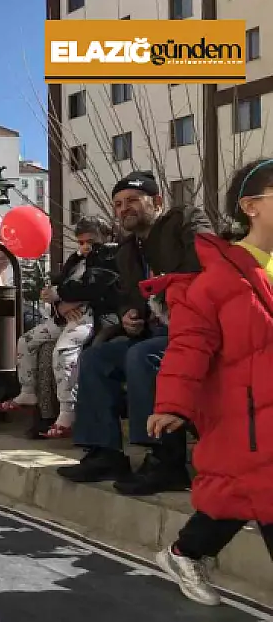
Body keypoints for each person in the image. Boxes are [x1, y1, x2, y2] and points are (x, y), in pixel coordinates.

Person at [145, 159, 273, 606]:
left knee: (237, 501)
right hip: (247, 421)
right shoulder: (218, 277)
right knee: (257, 495)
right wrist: (171, 404)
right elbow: (188, 345)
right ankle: (185, 553)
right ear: (251, 206)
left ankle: (184, 553)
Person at [57, 171, 212, 497]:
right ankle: (105, 453)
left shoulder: (183, 221)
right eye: (117, 204)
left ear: (156, 202)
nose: (123, 209)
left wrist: (161, 284)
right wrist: (131, 315)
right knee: (96, 357)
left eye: (131, 201)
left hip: (196, 332)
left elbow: (204, 266)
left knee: (140, 356)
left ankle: (166, 462)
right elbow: (130, 296)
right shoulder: (127, 250)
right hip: (156, 333)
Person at [0, 216, 121, 438]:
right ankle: (30, 396)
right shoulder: (77, 260)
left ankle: (65, 412)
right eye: (81, 242)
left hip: (91, 319)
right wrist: (57, 299)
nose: (85, 247)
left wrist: (63, 295)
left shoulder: (107, 257)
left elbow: (94, 287)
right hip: (63, 318)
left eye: (90, 242)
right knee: (28, 342)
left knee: (61, 353)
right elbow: (62, 282)